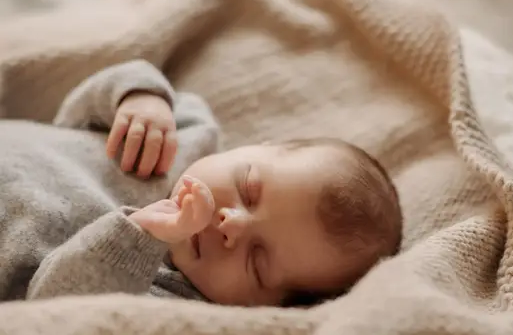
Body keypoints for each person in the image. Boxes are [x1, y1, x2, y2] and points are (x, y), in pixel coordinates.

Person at [0, 60, 402, 307]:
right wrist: (140, 97)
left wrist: (137, 235)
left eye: (256, 262)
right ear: (253, 148)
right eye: (249, 189)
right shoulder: (187, 132)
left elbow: (53, 307)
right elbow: (76, 112)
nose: (232, 224)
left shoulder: (166, 295)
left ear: (264, 307)